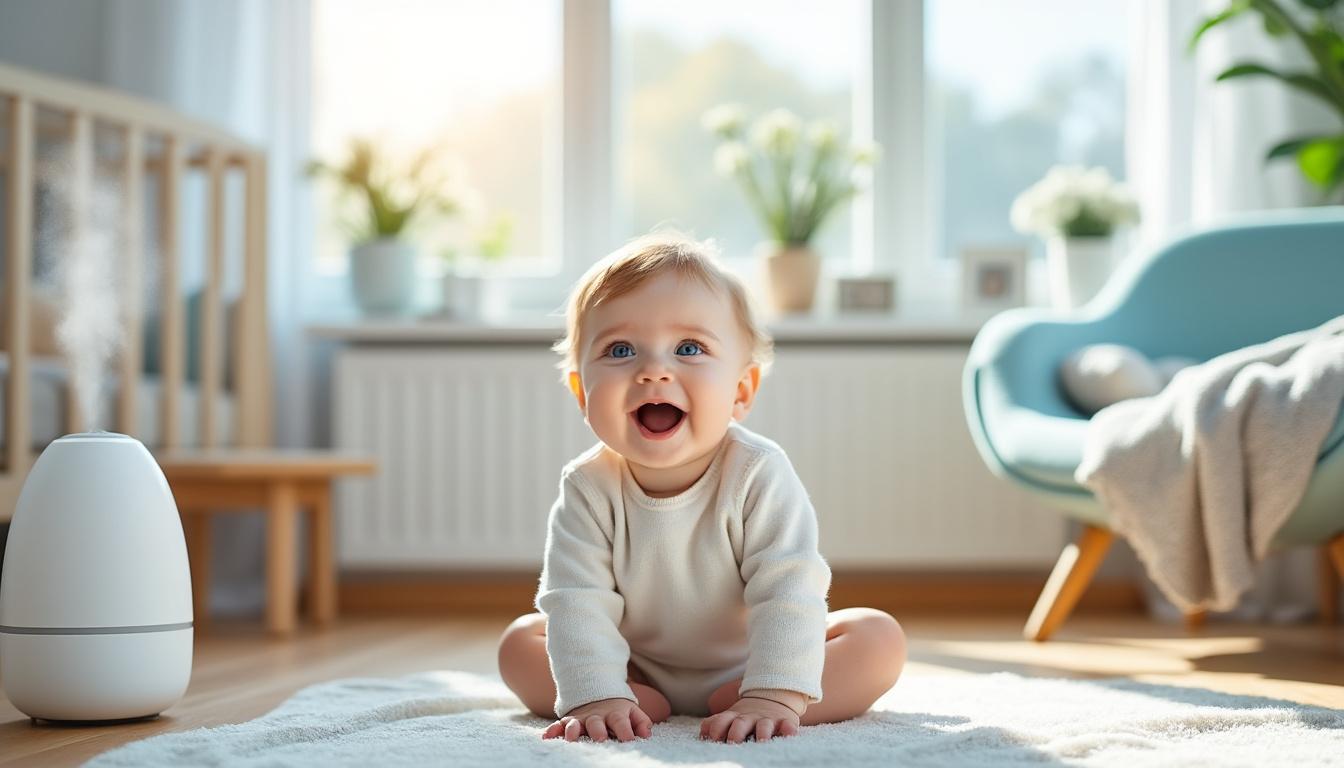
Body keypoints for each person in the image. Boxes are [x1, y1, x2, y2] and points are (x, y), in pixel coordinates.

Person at [497, 232, 906, 744]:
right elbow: (576, 599)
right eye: (620, 349)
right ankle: (625, 701)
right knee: (519, 643)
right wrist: (597, 691)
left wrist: (774, 689)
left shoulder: (758, 472)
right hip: (632, 665)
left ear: (741, 391)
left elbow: (789, 587)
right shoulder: (588, 485)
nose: (653, 371)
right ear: (582, 393)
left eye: (688, 348)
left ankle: (756, 701)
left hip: (754, 657)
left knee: (877, 637)